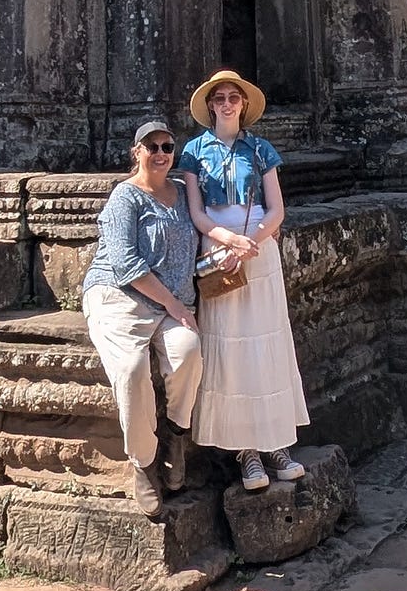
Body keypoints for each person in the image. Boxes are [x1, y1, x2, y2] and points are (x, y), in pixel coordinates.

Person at [178, 68, 308, 494]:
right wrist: (228, 241)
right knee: (231, 352)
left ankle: (277, 444)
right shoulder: (194, 152)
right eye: (219, 98)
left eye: (233, 97)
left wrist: (251, 241)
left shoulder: (261, 149)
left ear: (244, 104)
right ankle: (246, 451)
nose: (227, 104)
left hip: (258, 249)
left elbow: (277, 209)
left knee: (266, 347)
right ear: (210, 106)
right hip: (219, 250)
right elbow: (197, 212)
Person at [81, 118, 201, 520]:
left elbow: (211, 223)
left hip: (170, 303)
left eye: (167, 147)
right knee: (132, 371)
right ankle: (144, 463)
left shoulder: (183, 193)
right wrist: (175, 305)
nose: (161, 154)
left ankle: (174, 435)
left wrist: (252, 234)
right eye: (152, 147)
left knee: (189, 352)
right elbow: (125, 264)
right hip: (119, 297)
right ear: (137, 152)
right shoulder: (125, 197)